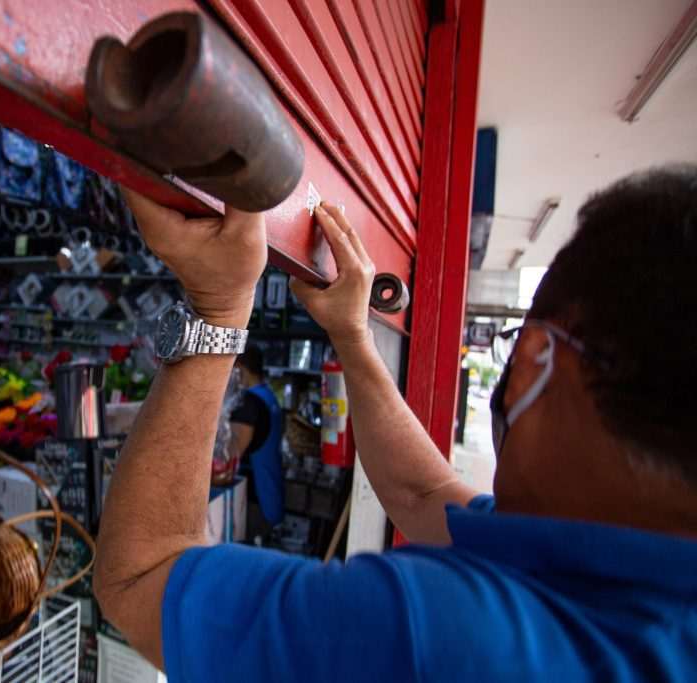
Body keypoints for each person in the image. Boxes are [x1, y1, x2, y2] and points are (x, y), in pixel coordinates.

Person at [94, 165, 697, 681]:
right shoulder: (617, 570)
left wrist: (219, 308)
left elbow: (140, 574)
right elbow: (423, 493)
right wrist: (353, 335)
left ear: (536, 359)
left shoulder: (439, 636)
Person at [228, 346, 284, 540]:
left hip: (254, 504)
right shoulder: (268, 396)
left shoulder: (248, 403)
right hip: (271, 496)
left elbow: (230, 454)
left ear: (239, 369)